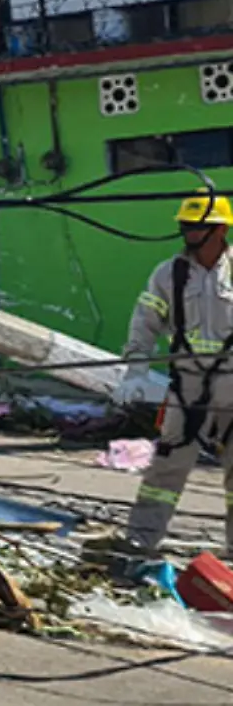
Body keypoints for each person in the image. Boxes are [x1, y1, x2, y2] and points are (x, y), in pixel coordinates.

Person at [110, 189, 233, 569]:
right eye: (185, 225)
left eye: (196, 226)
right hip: (189, 387)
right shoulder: (169, 274)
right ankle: (140, 541)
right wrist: (135, 370)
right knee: (166, 471)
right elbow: (144, 323)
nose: (188, 233)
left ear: (219, 230)